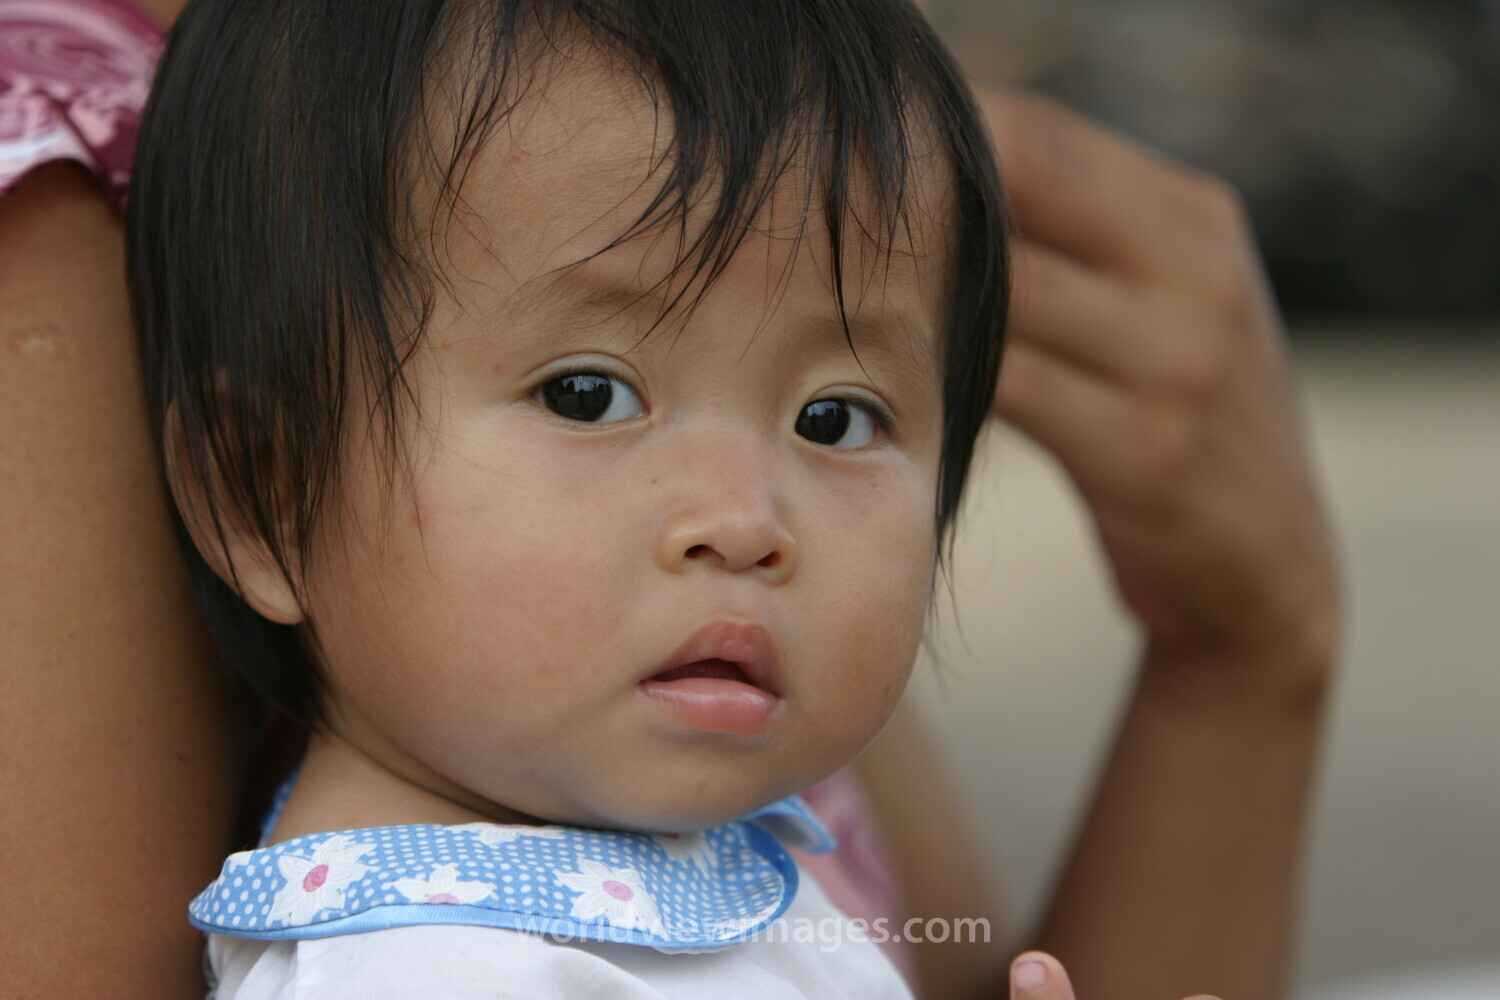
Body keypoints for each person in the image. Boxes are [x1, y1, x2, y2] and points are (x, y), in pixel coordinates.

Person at [0, 0, 1339, 998]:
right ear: (263, 488)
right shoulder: (440, 969)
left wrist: (1243, 650)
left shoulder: (723, 840)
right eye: (587, 395)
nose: (746, 516)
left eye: (836, 419)